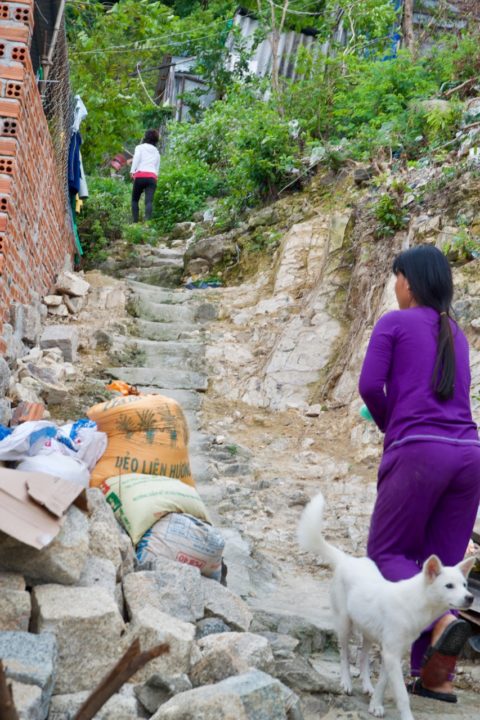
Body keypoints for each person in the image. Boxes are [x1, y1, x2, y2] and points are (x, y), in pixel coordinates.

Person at [359, 244, 480, 703]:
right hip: (469, 457)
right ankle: (434, 677)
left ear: (408, 280)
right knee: (441, 568)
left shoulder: (394, 323)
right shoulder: (458, 333)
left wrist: (395, 426)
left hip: (419, 454)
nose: (394, 286)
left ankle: (442, 622)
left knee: (387, 552)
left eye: (396, 277)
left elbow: (370, 385)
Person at [130, 129, 160, 222]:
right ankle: (147, 223)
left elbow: (137, 158)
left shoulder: (139, 147)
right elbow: (157, 165)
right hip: (152, 177)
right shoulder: (156, 151)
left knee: (135, 200)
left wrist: (132, 171)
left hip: (140, 175)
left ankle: (135, 223)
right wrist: (156, 176)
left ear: (145, 137)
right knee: (149, 201)